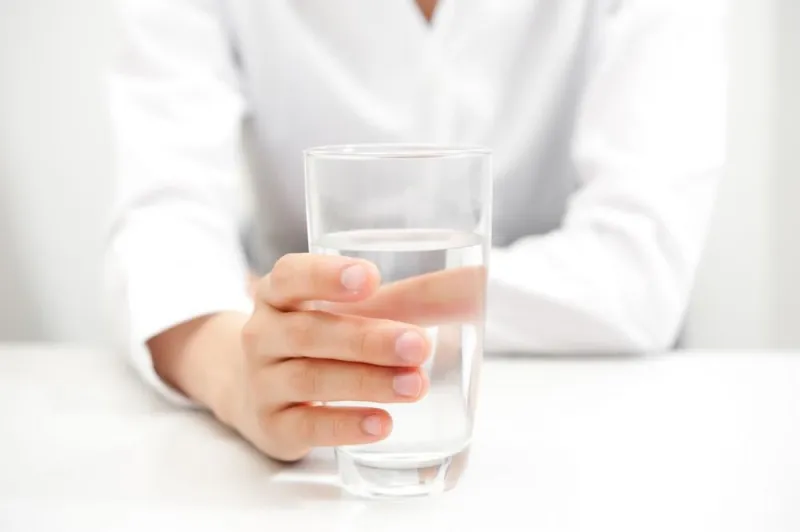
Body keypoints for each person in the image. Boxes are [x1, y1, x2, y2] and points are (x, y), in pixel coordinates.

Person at [104, 0, 726, 462]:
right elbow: (164, 219)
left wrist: (332, 314)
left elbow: (636, 270)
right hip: (315, 423)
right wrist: (238, 372)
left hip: (603, 423)